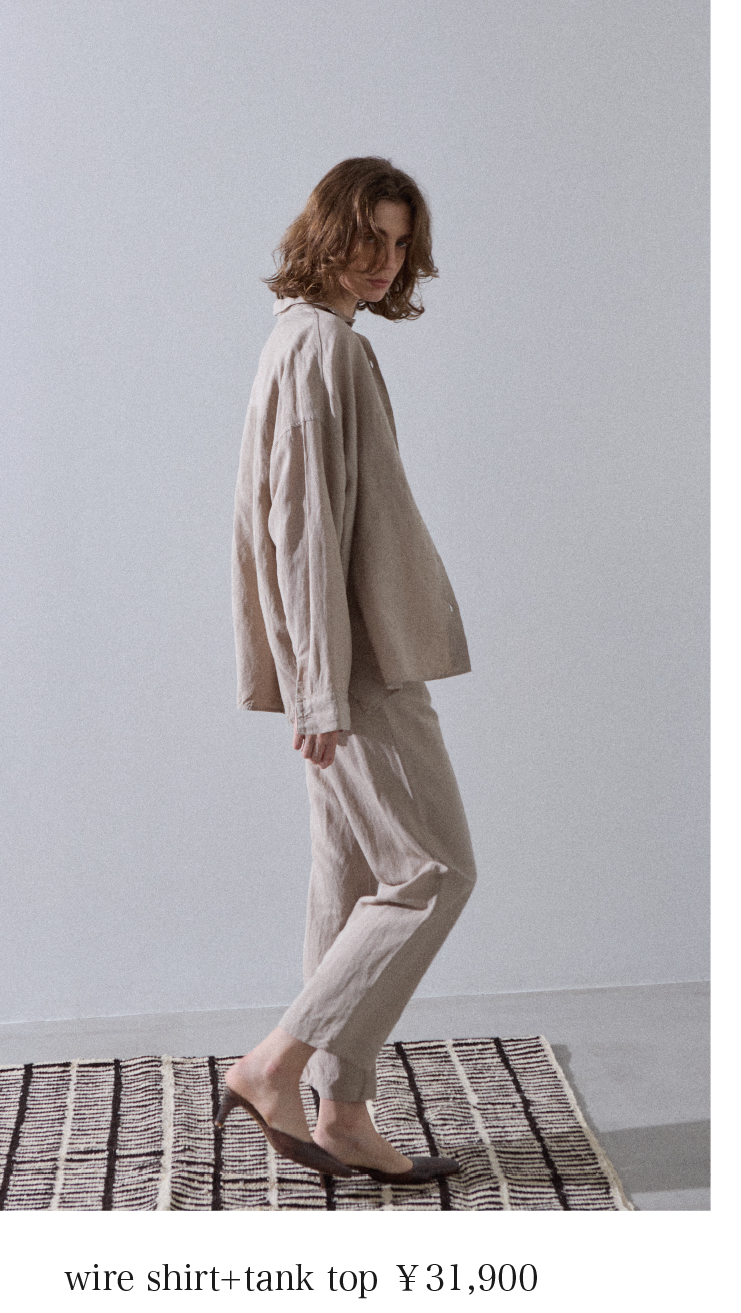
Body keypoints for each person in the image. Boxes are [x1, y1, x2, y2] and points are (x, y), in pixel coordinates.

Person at [222, 157, 477, 1184]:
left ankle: (343, 1111)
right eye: (370, 237)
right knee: (434, 871)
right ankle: (272, 1067)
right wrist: (322, 686)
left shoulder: (308, 338)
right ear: (328, 232)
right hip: (358, 662)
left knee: (356, 879)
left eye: (401, 243)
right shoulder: (321, 347)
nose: (386, 261)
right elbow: (301, 528)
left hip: (345, 653)